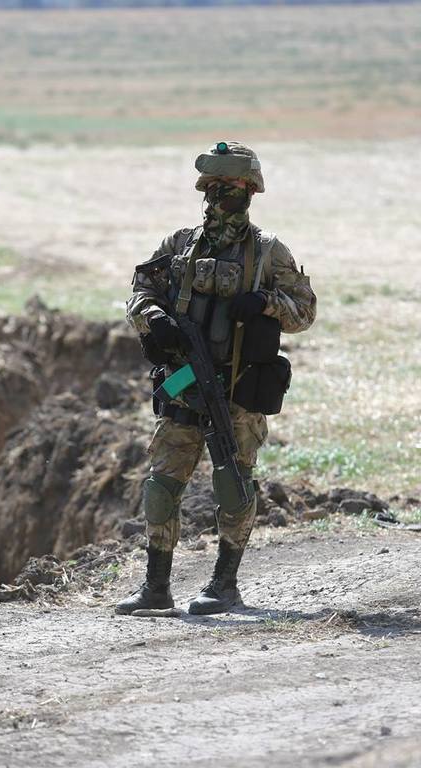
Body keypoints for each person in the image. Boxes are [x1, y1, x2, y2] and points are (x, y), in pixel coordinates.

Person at [116, 141, 317, 616]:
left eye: (230, 189)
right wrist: (153, 317)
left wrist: (266, 303)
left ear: (250, 192)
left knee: (234, 482)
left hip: (240, 388)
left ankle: (224, 586)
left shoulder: (268, 252)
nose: (219, 198)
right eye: (213, 188)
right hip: (186, 382)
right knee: (162, 485)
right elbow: (140, 291)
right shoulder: (179, 245)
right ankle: (156, 588)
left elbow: (305, 311)